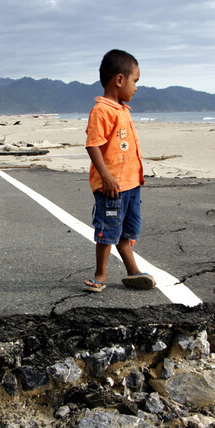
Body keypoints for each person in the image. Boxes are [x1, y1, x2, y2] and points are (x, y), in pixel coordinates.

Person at [83, 49, 156, 293]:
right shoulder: (101, 111)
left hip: (132, 184)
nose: (136, 87)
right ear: (120, 80)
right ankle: (100, 274)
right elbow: (93, 145)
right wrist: (106, 176)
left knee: (128, 231)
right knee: (108, 230)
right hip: (112, 186)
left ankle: (133, 271)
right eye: (135, 81)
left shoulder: (122, 110)